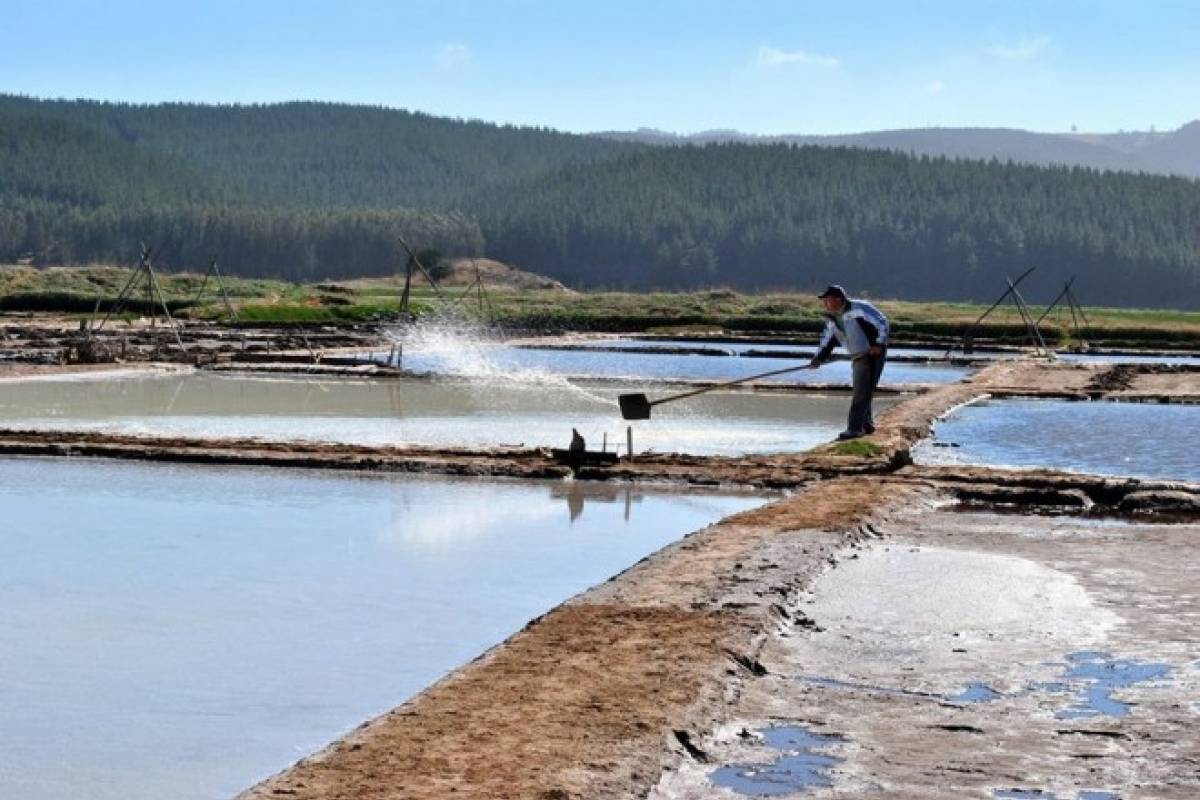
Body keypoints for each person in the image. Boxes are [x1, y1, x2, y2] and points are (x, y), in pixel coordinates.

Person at [808, 285, 889, 440]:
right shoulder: (832, 318)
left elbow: (882, 323)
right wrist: (818, 358)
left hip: (871, 353)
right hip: (857, 354)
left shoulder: (859, 308)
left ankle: (855, 428)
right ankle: (866, 424)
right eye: (824, 300)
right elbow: (828, 341)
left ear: (839, 299)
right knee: (864, 389)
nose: (825, 303)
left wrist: (879, 344)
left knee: (861, 391)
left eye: (828, 300)